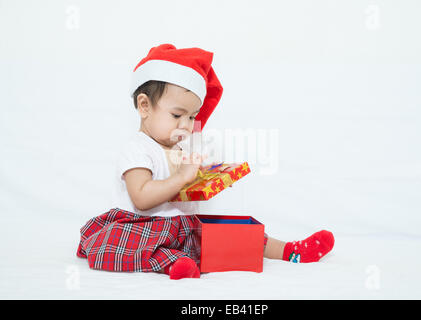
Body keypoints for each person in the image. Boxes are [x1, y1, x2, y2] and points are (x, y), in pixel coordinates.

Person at [76, 43, 335, 280]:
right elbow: (141, 197)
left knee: (230, 232)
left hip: (179, 227)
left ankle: (289, 251)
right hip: (141, 227)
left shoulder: (177, 146)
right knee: (125, 246)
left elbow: (187, 185)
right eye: (177, 115)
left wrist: (216, 175)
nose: (186, 126)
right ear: (144, 107)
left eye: (191, 117)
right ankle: (169, 263)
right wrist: (182, 177)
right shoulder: (136, 149)